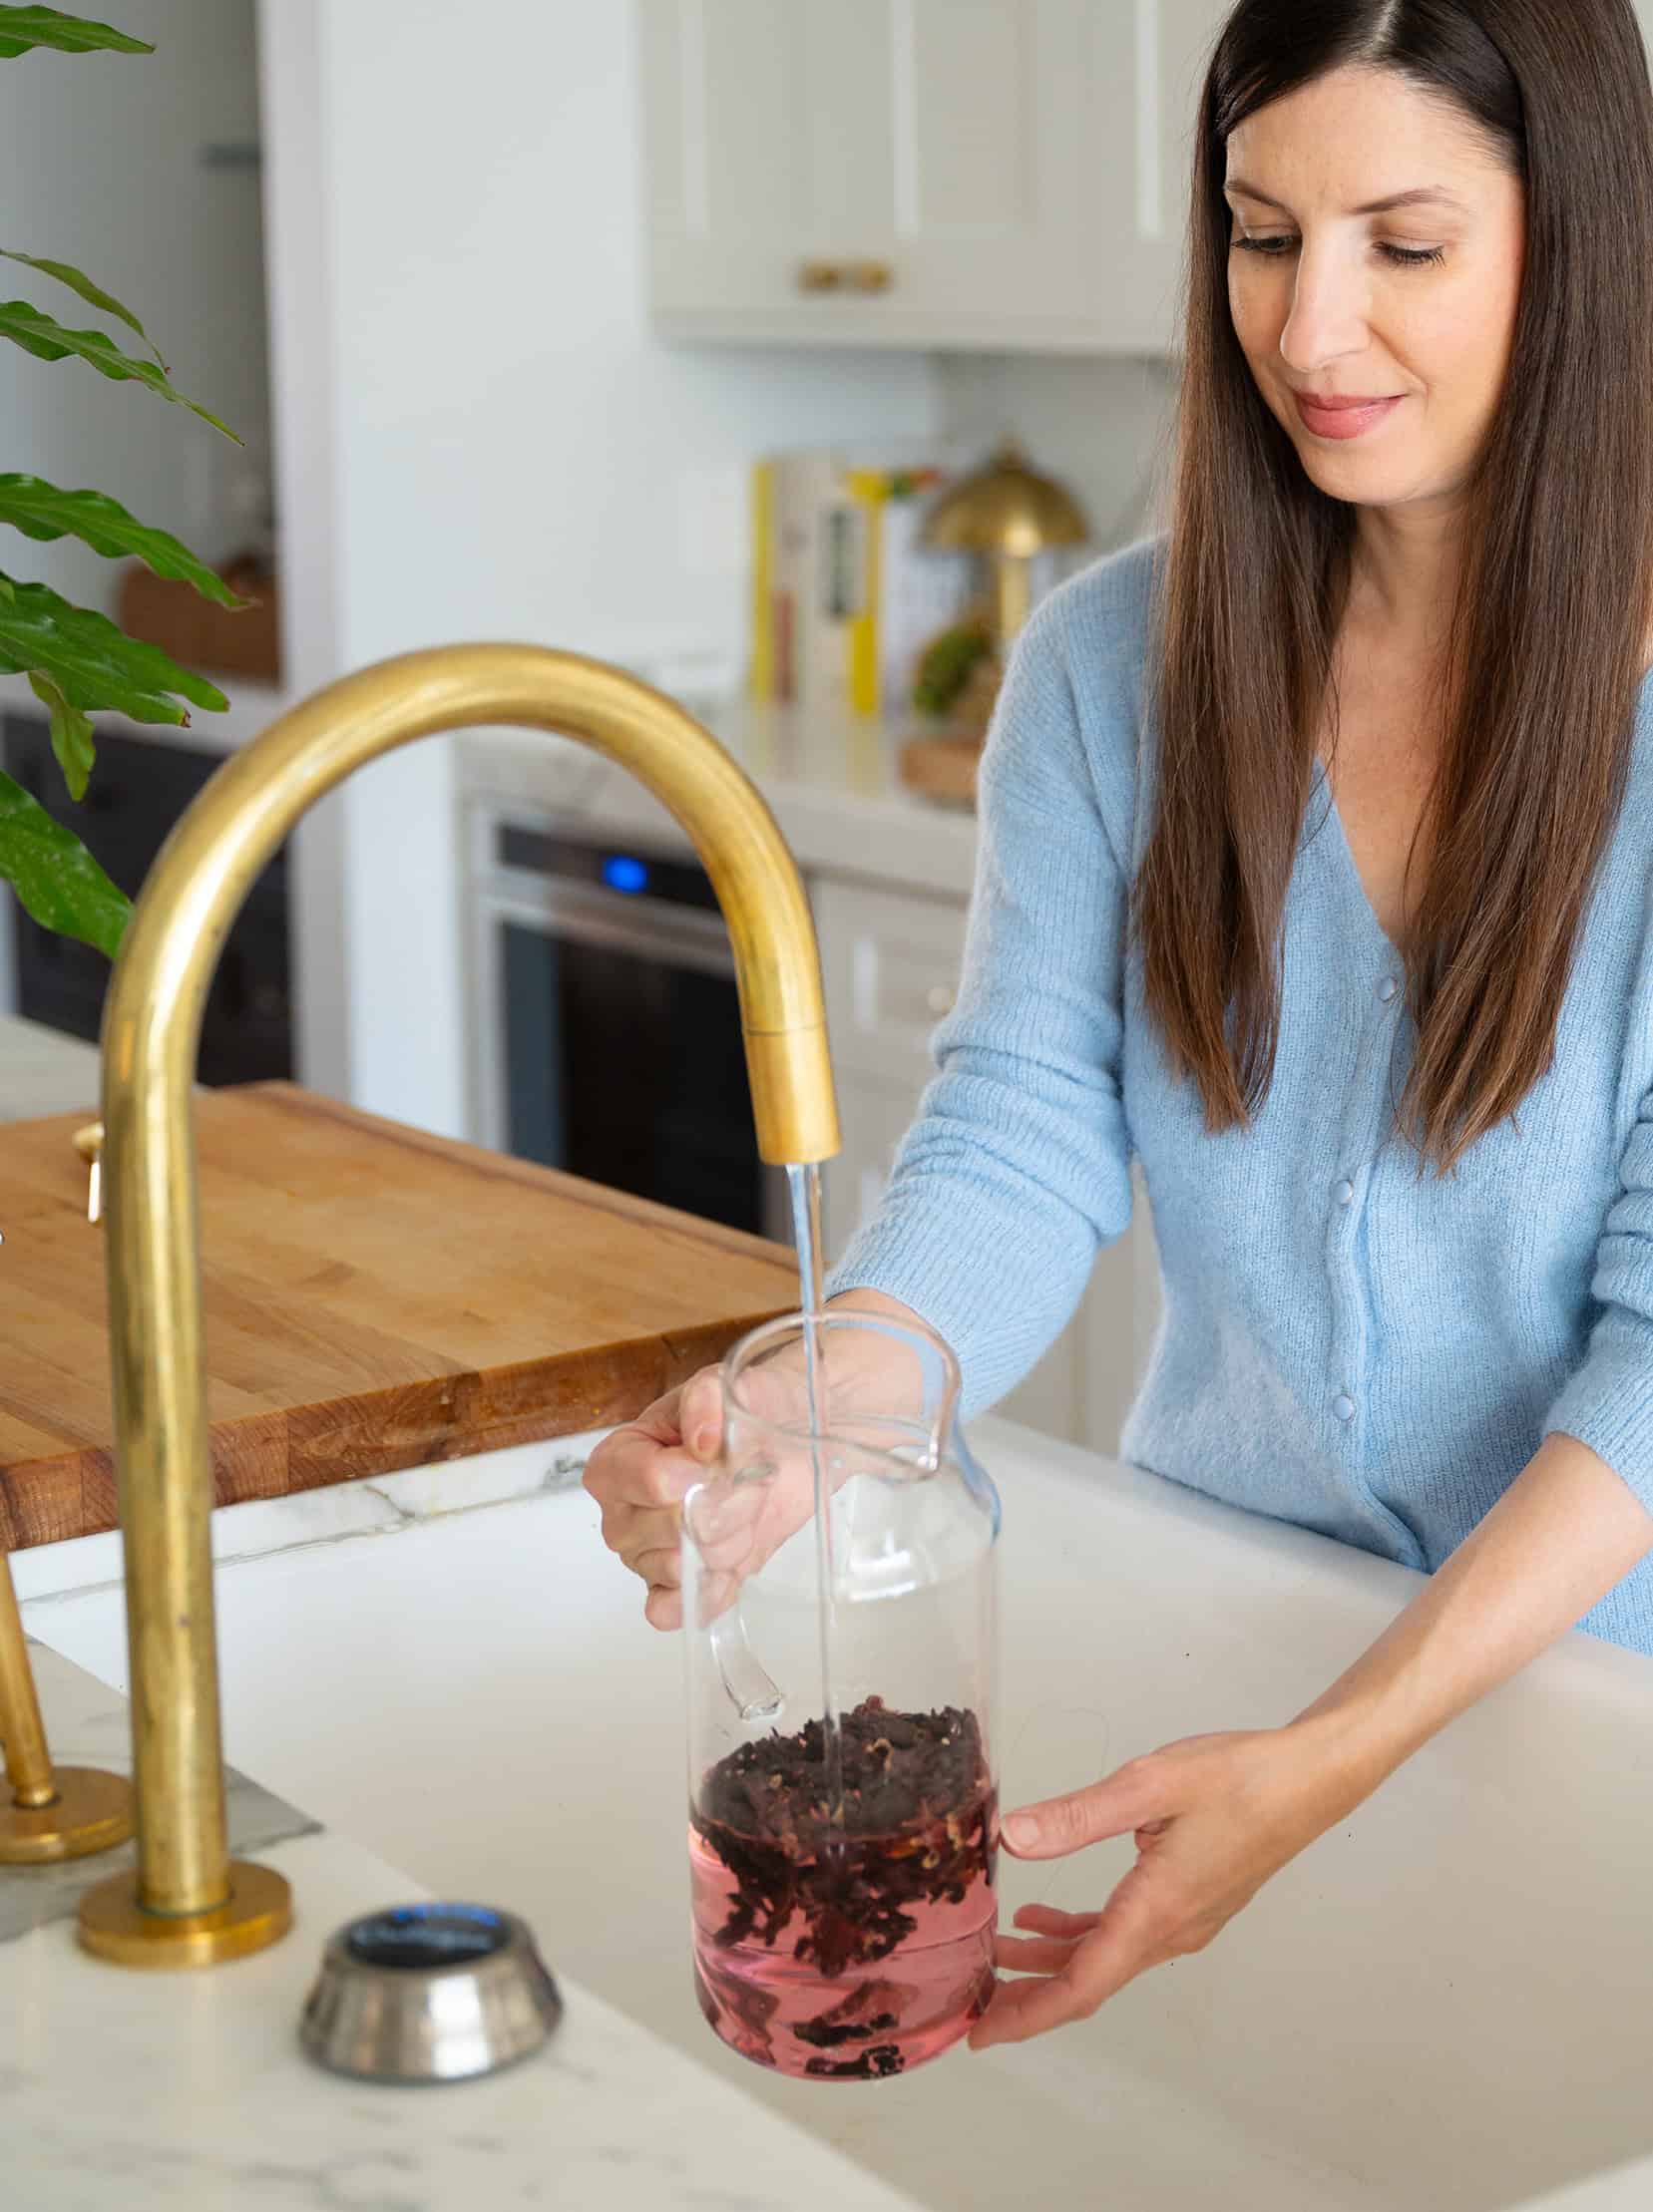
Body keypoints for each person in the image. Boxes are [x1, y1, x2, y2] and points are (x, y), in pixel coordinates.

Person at [586, 0, 1653, 2052]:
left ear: (1580, 242)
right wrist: (819, 1403)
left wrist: (1335, 1755)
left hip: (1598, 1707)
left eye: (1402, 244)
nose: (1310, 327)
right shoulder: (1109, 667)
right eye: (1261, 234)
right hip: (1232, 1633)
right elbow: (1020, 1127)